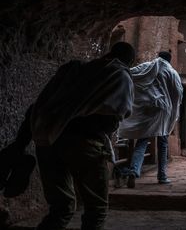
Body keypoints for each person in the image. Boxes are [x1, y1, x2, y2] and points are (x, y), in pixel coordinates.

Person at [29, 42, 135, 230]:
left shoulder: (76, 70)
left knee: (61, 208)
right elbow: (111, 120)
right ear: (129, 61)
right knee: (96, 209)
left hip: (49, 139)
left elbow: (39, 107)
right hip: (86, 144)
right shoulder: (119, 75)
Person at [118, 51, 183, 187]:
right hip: (164, 111)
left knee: (142, 141)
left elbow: (130, 73)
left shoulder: (149, 66)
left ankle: (134, 171)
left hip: (149, 108)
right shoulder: (172, 73)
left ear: (158, 57)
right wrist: (172, 111)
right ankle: (162, 176)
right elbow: (178, 93)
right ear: (169, 60)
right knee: (163, 143)